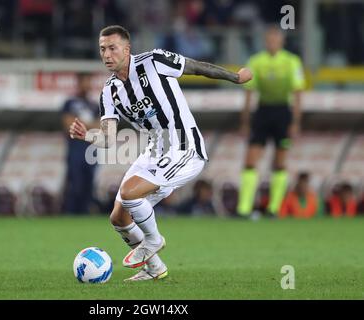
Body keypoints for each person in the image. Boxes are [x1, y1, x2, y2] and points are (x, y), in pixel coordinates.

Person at [69, 25, 252, 281]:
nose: (107, 54)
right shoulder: (109, 92)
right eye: (102, 49)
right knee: (118, 217)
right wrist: (86, 136)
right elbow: (109, 138)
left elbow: (197, 67)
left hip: (184, 147)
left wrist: (235, 78)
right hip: (155, 151)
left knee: (129, 193)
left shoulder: (154, 61)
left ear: (127, 48)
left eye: (112, 48)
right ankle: (155, 269)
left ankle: (153, 240)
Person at [237, 25, 305, 218]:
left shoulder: (292, 61)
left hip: (283, 112)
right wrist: (245, 120)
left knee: (280, 162)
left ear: (281, 41)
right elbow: (249, 93)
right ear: (265, 41)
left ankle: (274, 209)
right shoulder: (256, 61)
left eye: (276, 39)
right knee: (250, 160)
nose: (272, 43)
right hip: (263, 111)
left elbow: (298, 93)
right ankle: (244, 209)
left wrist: (296, 122)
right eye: (269, 39)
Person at [61, 73, 100, 214]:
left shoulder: (94, 105)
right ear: (78, 82)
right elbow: (68, 124)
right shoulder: (70, 103)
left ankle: (85, 212)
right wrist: (90, 126)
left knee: (89, 183)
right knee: (75, 183)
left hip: (91, 149)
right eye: (85, 81)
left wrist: (82, 125)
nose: (87, 84)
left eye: (89, 81)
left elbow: (100, 127)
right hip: (76, 149)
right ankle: (70, 213)